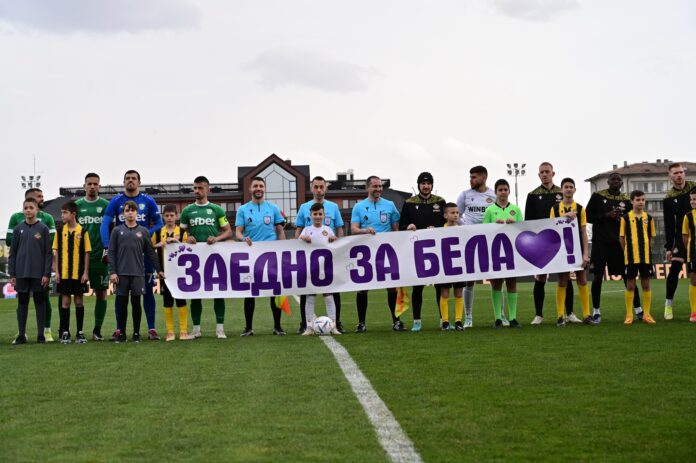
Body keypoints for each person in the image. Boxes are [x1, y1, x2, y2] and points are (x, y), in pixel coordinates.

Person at [100, 170, 163, 340]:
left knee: (148, 291)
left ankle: (151, 329)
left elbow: (160, 223)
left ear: (139, 182)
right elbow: (105, 222)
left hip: (143, 253)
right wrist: (107, 245)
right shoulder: (116, 201)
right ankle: (120, 329)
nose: (130, 181)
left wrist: (144, 235)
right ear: (123, 182)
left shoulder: (148, 201)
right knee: (121, 296)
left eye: (133, 179)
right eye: (127, 178)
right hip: (123, 255)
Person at [179, 176, 233, 339]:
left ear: (208, 189)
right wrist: (187, 239)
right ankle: (196, 330)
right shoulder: (187, 211)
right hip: (195, 259)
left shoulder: (217, 210)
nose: (197, 191)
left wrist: (216, 239)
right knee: (196, 293)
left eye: (200, 188)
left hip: (214, 257)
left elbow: (228, 231)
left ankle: (220, 329)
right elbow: (180, 235)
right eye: (195, 188)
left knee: (218, 291)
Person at [586, 172, 641, 323]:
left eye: (619, 179)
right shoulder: (598, 196)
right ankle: (596, 311)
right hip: (600, 244)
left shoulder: (627, 200)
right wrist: (606, 215)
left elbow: (632, 220)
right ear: (608, 182)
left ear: (622, 183)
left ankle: (638, 310)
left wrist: (621, 219)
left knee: (627, 276)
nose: (616, 181)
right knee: (597, 277)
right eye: (613, 179)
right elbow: (587, 216)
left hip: (619, 244)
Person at [455, 165, 507, 327]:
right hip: (470, 242)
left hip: (490, 243)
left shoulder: (493, 195)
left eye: (474, 177)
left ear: (484, 177)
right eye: (470, 177)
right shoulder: (465, 195)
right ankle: (468, 317)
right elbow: (457, 215)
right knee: (469, 280)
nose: (471, 180)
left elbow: (502, 213)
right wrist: (467, 227)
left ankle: (502, 316)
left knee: (496, 280)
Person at [235, 176, 286, 336]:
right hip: (251, 255)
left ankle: (277, 326)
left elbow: (279, 230)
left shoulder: (273, 208)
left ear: (264, 189)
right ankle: (248, 327)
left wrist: (283, 248)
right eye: (255, 186)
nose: (258, 188)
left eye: (261, 186)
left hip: (271, 255)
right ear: (250, 189)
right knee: (250, 291)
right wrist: (243, 238)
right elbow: (238, 231)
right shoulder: (242, 209)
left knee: (275, 291)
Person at [524, 162, 575, 325]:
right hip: (542, 242)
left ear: (553, 173)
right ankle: (538, 315)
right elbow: (528, 222)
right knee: (540, 277)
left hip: (561, 241)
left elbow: (573, 214)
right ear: (538, 175)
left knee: (565, 276)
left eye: (547, 171)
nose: (544, 174)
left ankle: (570, 313)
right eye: (542, 172)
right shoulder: (532, 195)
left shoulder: (563, 193)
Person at [294, 176, 345, 333]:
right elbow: (298, 233)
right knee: (308, 294)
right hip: (310, 264)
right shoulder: (304, 208)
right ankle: (306, 324)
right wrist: (301, 239)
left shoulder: (333, 207)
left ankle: (336, 324)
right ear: (311, 188)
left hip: (328, 263)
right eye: (315, 187)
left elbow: (339, 230)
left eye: (321, 187)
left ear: (325, 188)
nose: (318, 190)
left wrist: (338, 245)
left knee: (331, 293)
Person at [350, 175, 401, 333]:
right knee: (363, 287)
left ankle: (397, 321)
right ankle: (361, 323)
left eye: (380, 186)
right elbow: (353, 229)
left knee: (392, 287)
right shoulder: (358, 207)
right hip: (366, 252)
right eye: (375, 186)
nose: (378, 189)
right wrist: (365, 230)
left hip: (385, 251)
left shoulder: (390, 205)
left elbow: (396, 230)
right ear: (367, 188)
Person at [6, 188, 56, 341]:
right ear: (23, 210)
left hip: (39, 274)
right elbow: (12, 253)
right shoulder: (18, 229)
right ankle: (21, 335)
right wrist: (12, 274)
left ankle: (41, 335)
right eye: (26, 208)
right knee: (22, 303)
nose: (28, 211)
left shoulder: (43, 228)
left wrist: (46, 274)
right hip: (21, 273)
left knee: (40, 302)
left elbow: (48, 253)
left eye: (31, 208)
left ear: (36, 210)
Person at [400, 171, 446, 332]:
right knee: (417, 287)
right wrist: (408, 227)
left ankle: (443, 319)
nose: (426, 186)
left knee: (440, 286)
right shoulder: (409, 202)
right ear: (418, 185)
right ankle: (417, 321)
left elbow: (447, 226)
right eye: (423, 183)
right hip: (417, 251)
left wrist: (438, 229)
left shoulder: (440, 202)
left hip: (437, 250)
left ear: (432, 185)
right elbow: (401, 226)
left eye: (429, 183)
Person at [550, 178, 594, 327]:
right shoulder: (555, 209)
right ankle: (560, 316)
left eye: (571, 187)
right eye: (566, 187)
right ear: (561, 190)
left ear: (574, 190)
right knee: (563, 281)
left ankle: (587, 315)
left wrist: (585, 253)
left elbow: (583, 232)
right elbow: (552, 229)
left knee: (582, 280)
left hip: (578, 249)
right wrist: (564, 217)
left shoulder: (581, 209)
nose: (568, 189)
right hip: (562, 250)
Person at [483, 179, 523, 328]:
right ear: (495, 192)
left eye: (505, 189)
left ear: (509, 191)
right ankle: (498, 319)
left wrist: (516, 225)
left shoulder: (516, 210)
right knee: (497, 284)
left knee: (512, 284)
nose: (503, 192)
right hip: (495, 252)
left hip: (511, 252)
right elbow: (483, 232)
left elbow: (522, 230)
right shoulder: (489, 211)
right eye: (500, 190)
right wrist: (494, 226)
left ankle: (512, 318)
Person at [76, 173, 111, 340]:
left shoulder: (106, 205)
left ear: (99, 186)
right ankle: (76, 330)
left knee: (101, 293)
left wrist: (108, 250)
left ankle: (97, 330)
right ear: (84, 186)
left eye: (95, 184)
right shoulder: (76, 206)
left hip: (100, 257)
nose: (92, 186)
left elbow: (111, 228)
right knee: (76, 294)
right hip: (79, 258)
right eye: (89, 183)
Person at [152, 204, 192, 341]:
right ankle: (170, 332)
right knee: (167, 301)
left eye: (172, 215)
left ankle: (183, 331)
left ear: (177, 216)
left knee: (181, 301)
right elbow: (151, 248)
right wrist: (162, 243)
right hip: (165, 274)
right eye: (167, 215)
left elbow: (188, 249)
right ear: (163, 216)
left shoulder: (182, 232)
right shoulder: (158, 233)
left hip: (180, 274)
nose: (169, 218)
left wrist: (177, 241)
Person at [53, 201, 91, 344]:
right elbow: (56, 253)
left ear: (73, 214)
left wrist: (85, 272)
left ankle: (80, 332)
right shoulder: (59, 231)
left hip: (78, 274)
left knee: (79, 302)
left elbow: (87, 253)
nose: (62, 215)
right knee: (65, 302)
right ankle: (65, 332)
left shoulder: (83, 231)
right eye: (62, 212)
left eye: (65, 213)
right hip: (64, 274)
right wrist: (56, 271)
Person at [299, 203, 340, 335]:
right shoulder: (306, 230)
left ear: (323, 215)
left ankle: (333, 326)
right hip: (311, 269)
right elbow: (297, 243)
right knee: (310, 297)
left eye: (320, 214)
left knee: (328, 296)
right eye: (315, 214)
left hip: (326, 268)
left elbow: (335, 242)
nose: (317, 216)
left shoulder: (328, 229)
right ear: (310, 215)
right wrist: (303, 238)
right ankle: (309, 327)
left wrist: (334, 239)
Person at [662, 163, 696, 320]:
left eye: (681, 172)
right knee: (675, 268)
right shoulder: (668, 198)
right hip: (679, 237)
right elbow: (668, 224)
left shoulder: (694, 188)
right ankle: (668, 305)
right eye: (675, 173)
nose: (679, 175)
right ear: (670, 176)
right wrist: (669, 247)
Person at [620, 190, 657, 325]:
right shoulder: (625, 218)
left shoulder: (649, 218)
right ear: (631, 201)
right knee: (630, 285)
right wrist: (627, 251)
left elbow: (652, 237)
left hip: (646, 258)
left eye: (643, 200)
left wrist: (648, 250)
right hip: (630, 258)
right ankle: (629, 315)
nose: (641, 202)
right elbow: (622, 237)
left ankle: (647, 314)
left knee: (646, 285)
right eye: (638, 200)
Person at [437, 203, 466, 331]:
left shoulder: (463, 230)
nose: (455, 215)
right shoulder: (439, 231)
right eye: (452, 213)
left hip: (459, 265)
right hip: (445, 266)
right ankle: (445, 322)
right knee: (444, 293)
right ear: (445, 215)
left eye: (457, 213)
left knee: (459, 293)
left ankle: (458, 321)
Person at [682, 188, 696, 322]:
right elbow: (685, 236)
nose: (692, 201)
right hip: (693, 254)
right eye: (691, 199)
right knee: (694, 281)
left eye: (695, 199)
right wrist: (690, 250)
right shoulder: (688, 216)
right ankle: (694, 312)